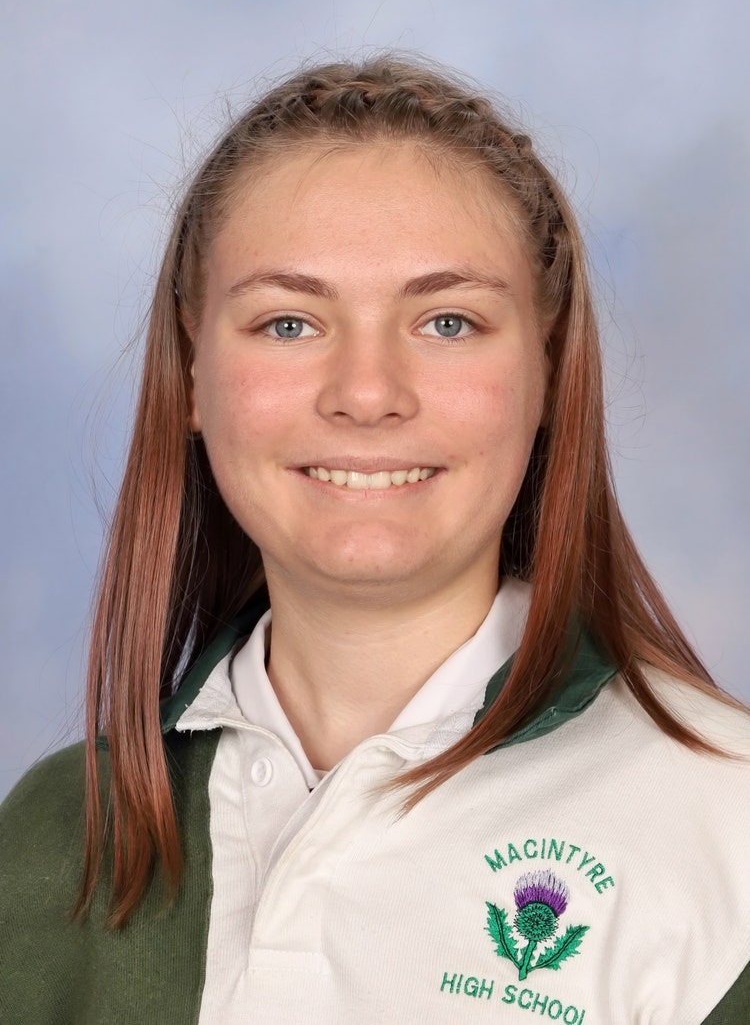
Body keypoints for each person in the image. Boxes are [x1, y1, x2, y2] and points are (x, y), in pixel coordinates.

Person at [1, 55, 748, 1025]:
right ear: (190, 369)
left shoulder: (723, 831)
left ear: (550, 371)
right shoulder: (50, 840)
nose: (365, 393)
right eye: (288, 323)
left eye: (447, 322)